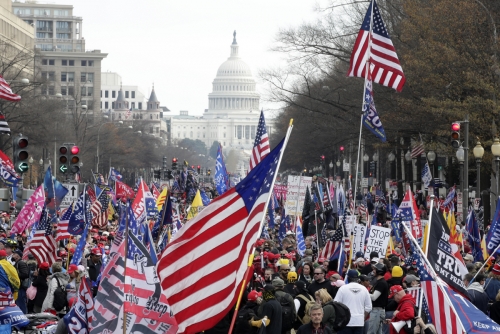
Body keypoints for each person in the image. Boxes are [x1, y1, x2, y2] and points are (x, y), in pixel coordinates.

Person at [334, 270, 372, 334]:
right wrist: (362, 318)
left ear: (348, 277)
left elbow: (336, 304)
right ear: (358, 278)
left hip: (345, 322)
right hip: (359, 322)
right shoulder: (364, 289)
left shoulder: (343, 288)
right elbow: (369, 307)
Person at [368, 263, 389, 334]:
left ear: (379, 271)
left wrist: (364, 292)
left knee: (371, 332)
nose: (373, 271)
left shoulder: (381, 283)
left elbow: (374, 297)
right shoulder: (379, 282)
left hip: (377, 311)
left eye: (375, 269)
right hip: (377, 311)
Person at [12, 249, 29, 314]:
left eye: (14, 254)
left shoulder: (21, 263)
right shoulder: (17, 263)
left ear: (18, 256)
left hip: (21, 288)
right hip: (18, 287)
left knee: (21, 305)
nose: (13, 255)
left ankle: (25, 318)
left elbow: (25, 274)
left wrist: (14, 275)